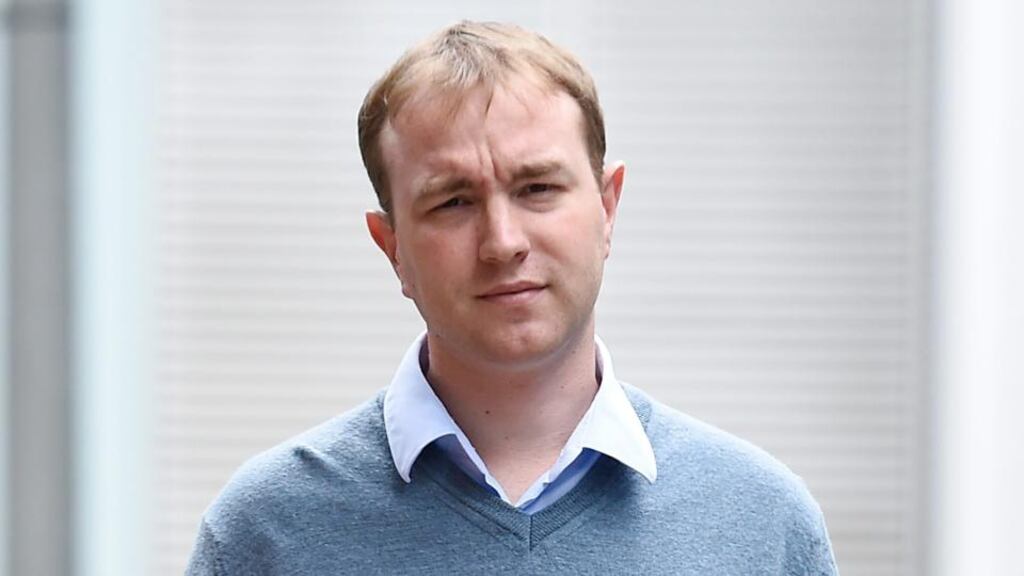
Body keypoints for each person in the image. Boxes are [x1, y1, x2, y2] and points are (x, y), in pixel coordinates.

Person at [186, 21, 838, 575]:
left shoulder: (762, 526)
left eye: (537, 188)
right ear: (392, 247)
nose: (502, 242)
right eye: (454, 201)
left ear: (607, 208)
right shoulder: (267, 532)